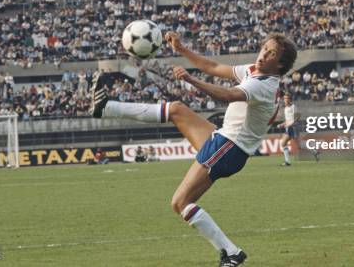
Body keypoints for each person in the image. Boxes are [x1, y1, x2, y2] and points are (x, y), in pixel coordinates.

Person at [91, 32, 297, 266]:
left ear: (279, 64)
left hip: (229, 148)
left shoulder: (264, 86)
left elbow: (228, 95)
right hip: (222, 140)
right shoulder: (254, 71)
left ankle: (231, 252)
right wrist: (181, 48)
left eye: (271, 53)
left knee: (180, 202)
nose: (264, 54)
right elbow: (212, 66)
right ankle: (105, 107)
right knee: (177, 109)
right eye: (265, 48)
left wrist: (190, 80)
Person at [278, 94, 300, 166]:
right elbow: (288, 120)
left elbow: (297, 117)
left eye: (287, 98)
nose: (285, 100)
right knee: (283, 143)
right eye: (284, 99)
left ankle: (314, 151)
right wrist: (282, 124)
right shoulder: (285, 108)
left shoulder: (293, 107)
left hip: (293, 128)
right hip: (289, 128)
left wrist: (291, 124)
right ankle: (287, 162)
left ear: (290, 99)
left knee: (299, 145)